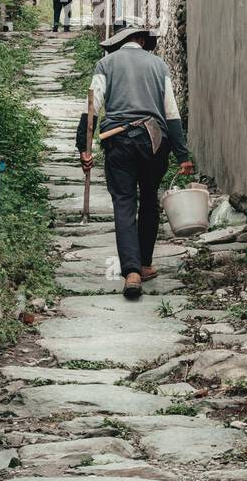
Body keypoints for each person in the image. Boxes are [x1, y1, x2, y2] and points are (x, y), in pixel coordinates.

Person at [75, 23, 194, 299]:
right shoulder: (159, 66)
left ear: (122, 42)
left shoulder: (106, 64)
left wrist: (85, 147)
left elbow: (91, 108)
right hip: (154, 140)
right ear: (141, 40)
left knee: (124, 201)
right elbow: (171, 113)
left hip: (119, 141)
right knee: (150, 198)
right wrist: (182, 155)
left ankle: (130, 271)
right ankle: (144, 263)